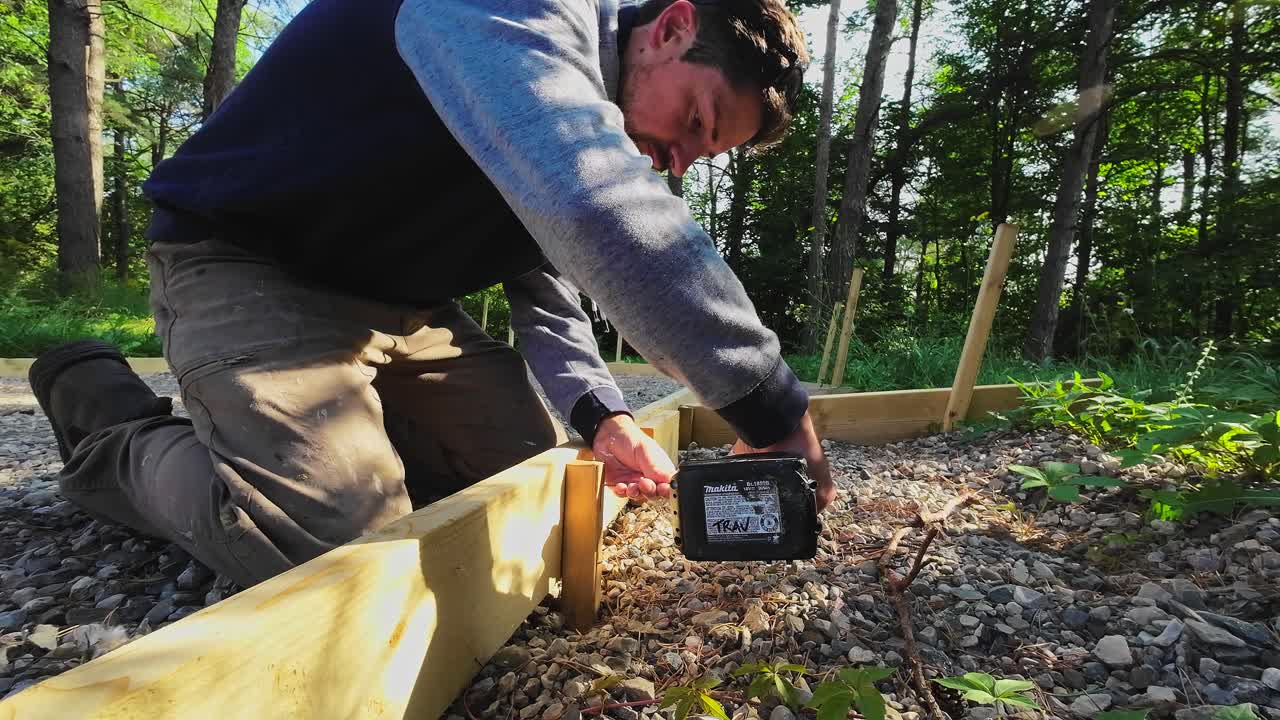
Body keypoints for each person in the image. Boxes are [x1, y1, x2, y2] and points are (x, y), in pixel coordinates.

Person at [29, 0, 836, 589]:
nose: (679, 163)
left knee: (522, 482)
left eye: (704, 154)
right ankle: (111, 427)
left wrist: (603, 414)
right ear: (670, 28)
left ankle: (297, 436)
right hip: (247, 261)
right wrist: (768, 401)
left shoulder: (587, 122)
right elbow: (590, 201)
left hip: (404, 308)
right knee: (330, 545)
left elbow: (552, 278)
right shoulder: (514, 14)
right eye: (697, 121)